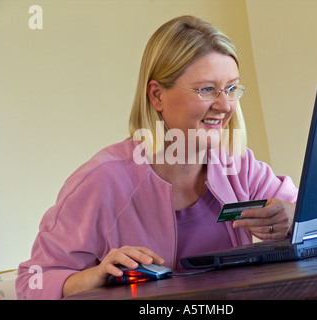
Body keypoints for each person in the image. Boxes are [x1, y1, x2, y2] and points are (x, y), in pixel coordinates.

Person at [16, 15, 298, 300]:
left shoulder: (238, 166)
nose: (225, 105)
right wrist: (96, 275)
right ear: (156, 96)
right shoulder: (103, 181)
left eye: (231, 89)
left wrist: (291, 217)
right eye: (206, 90)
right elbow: (32, 284)